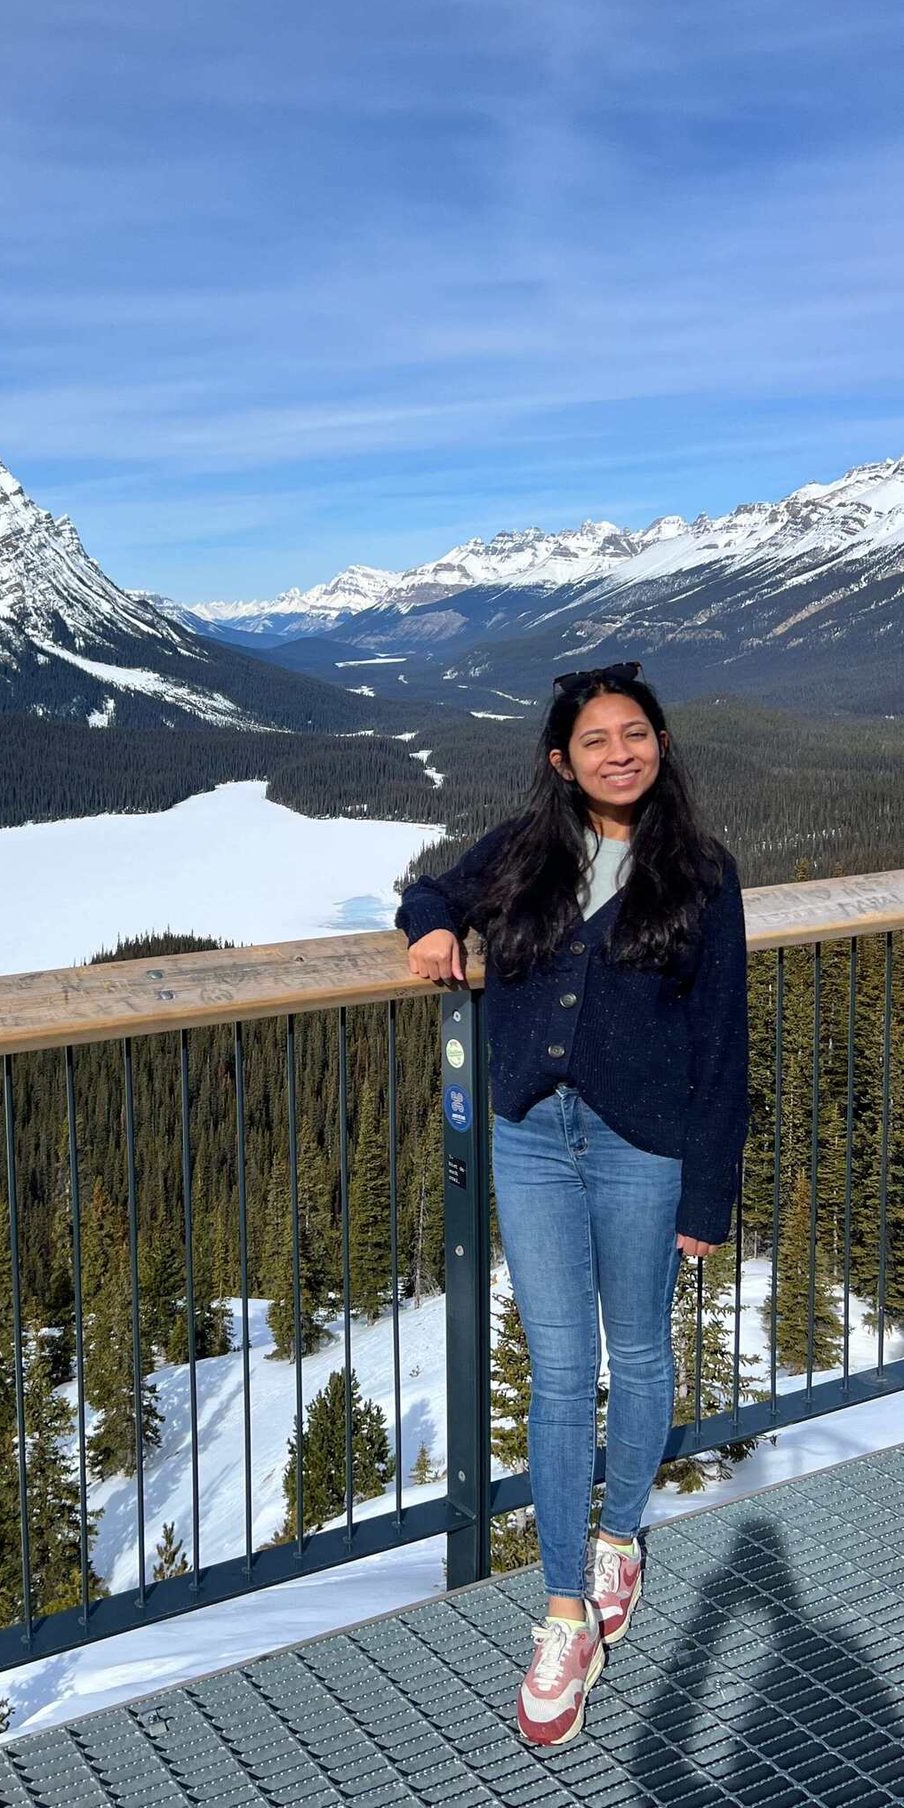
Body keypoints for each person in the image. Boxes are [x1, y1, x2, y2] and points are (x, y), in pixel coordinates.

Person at [394, 659, 749, 1750]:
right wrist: (430, 930)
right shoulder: (523, 850)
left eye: (635, 734)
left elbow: (723, 1040)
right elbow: (434, 891)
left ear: (660, 744)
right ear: (562, 759)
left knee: (637, 1353)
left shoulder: (700, 870)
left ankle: (621, 1537)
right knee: (558, 1367)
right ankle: (563, 1613)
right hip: (530, 1135)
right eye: (596, 740)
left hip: (646, 1142)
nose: (620, 753)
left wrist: (710, 1187)